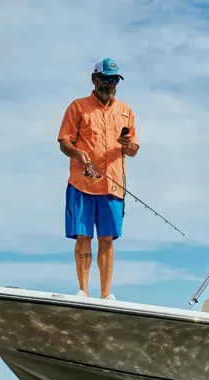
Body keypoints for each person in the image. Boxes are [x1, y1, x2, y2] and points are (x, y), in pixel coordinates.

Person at [57, 57, 140, 299]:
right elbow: (64, 142)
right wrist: (76, 152)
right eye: (104, 79)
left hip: (113, 185)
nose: (109, 85)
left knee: (107, 239)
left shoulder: (126, 111)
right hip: (82, 182)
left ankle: (106, 295)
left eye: (113, 80)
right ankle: (83, 291)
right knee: (83, 237)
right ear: (94, 79)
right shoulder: (77, 106)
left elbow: (134, 150)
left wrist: (127, 144)